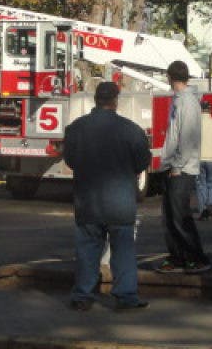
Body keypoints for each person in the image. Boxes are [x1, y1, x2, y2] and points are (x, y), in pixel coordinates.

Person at [63, 82, 151, 311]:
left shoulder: (76, 129)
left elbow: (70, 160)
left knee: (87, 250)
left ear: (96, 99)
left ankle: (83, 295)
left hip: (88, 201)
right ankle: (126, 297)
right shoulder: (131, 130)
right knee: (122, 251)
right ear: (115, 100)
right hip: (120, 202)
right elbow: (142, 162)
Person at [156, 60, 211, 273]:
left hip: (182, 168)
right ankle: (177, 257)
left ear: (170, 77)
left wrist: (177, 165)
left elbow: (186, 137)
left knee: (180, 216)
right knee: (170, 216)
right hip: (174, 166)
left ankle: (197, 257)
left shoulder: (187, 102)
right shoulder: (179, 100)